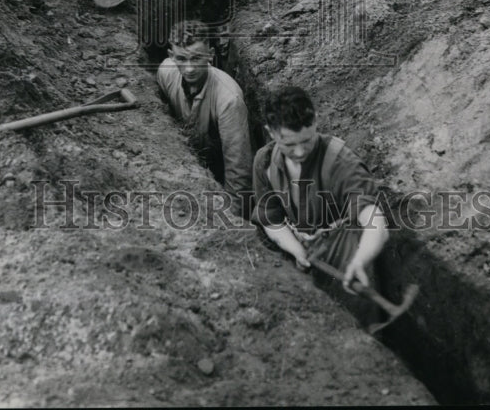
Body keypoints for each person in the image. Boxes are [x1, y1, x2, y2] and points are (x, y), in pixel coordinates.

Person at [251, 85, 389, 292]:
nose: (299, 152)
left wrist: (360, 261)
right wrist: (297, 251)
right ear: (270, 133)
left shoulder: (341, 162)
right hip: (304, 251)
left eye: (306, 141)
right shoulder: (265, 162)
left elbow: (374, 220)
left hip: (348, 254)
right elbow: (271, 220)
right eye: (289, 145)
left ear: (315, 120)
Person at [156, 21, 253, 215]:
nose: (189, 68)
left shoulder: (228, 100)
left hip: (221, 170)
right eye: (182, 59)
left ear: (210, 55)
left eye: (197, 58)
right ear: (171, 56)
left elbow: (239, 172)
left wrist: (232, 217)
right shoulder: (166, 73)